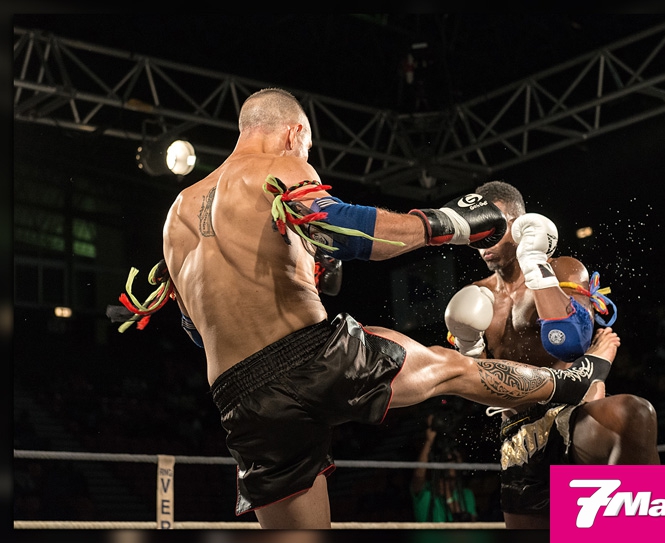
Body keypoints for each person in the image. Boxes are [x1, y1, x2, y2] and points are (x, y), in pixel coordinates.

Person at [154, 88, 618, 530]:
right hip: (310, 358)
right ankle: (570, 382)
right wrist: (448, 223)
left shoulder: (177, 214)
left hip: (240, 397)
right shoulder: (278, 165)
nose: (307, 157)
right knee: (449, 368)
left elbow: (196, 327)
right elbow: (346, 228)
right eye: (307, 147)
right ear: (295, 133)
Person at [444, 180, 660, 529]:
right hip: (518, 436)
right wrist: (470, 349)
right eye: (474, 226)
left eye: (491, 225)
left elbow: (571, 342)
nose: (481, 236)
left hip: (574, 413)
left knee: (634, 414)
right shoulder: (475, 298)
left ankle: (639, 529)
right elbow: (479, 384)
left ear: (520, 224)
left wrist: (534, 264)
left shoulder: (564, 270)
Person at [410, 414, 478, 523]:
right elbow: (418, 475)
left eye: (453, 460)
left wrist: (449, 497)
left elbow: (470, 524)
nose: (451, 464)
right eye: (447, 461)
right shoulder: (426, 491)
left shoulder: (465, 494)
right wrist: (429, 442)